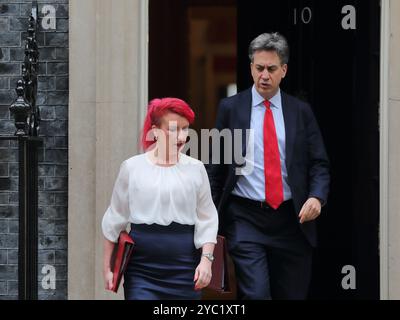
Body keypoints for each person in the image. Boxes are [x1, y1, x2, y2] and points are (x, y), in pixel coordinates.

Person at [206, 32, 330, 300]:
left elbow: (319, 163)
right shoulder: (230, 108)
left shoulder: (300, 111)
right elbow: (215, 168)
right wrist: (209, 219)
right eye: (259, 67)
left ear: (283, 70)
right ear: (251, 67)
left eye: (271, 69)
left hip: (292, 220)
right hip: (245, 218)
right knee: (257, 294)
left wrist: (316, 197)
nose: (264, 75)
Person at [102, 98, 218, 300]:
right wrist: (108, 268)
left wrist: (207, 261)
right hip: (142, 269)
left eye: (185, 129)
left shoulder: (196, 169)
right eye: (173, 129)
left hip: (185, 267)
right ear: (155, 131)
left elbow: (207, 219)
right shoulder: (132, 168)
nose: (181, 136)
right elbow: (114, 219)